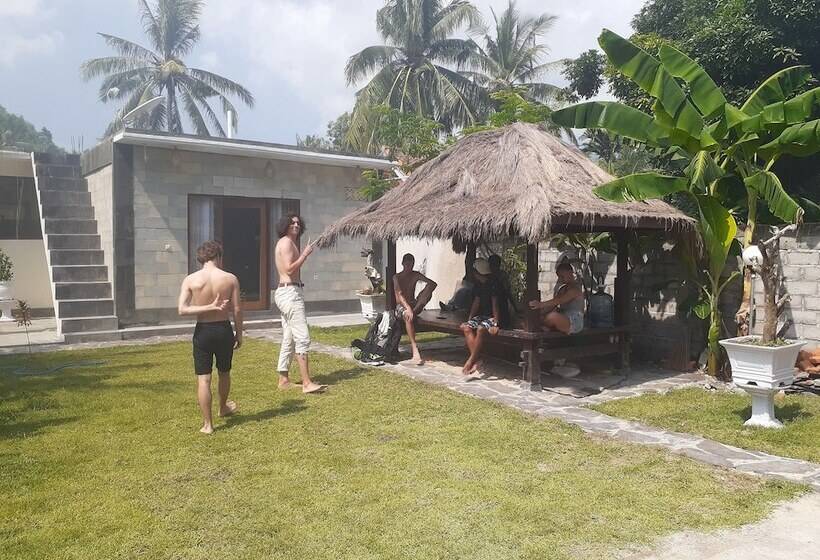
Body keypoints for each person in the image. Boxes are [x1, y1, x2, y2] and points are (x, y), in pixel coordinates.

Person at [177, 240, 243, 435]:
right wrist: (239, 333)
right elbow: (237, 309)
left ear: (201, 259)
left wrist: (205, 307)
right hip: (223, 330)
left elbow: (182, 309)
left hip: (203, 331)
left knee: (204, 379)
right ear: (219, 256)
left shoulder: (191, 279)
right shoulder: (230, 278)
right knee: (224, 372)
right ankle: (223, 407)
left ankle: (208, 425)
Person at [274, 212, 325, 394]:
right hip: (290, 293)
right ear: (285, 226)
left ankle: (283, 379)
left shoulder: (285, 242)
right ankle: (306, 383)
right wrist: (304, 254)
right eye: (292, 223)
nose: (295, 225)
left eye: (297, 223)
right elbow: (289, 269)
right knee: (302, 338)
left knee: (289, 337)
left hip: (286, 292)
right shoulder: (287, 243)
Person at [459, 258, 503, 377]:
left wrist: (495, 324)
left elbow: (495, 304)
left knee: (480, 329)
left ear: (477, 272)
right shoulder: (479, 284)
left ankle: (471, 361)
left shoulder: (494, 284)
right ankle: (477, 360)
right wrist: (469, 320)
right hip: (483, 316)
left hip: (496, 316)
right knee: (466, 327)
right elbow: (476, 303)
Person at [394, 253, 438, 365]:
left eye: (411, 265)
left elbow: (433, 284)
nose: (409, 267)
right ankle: (415, 349)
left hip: (414, 306)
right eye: (407, 265)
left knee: (429, 289)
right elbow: (399, 294)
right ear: (403, 264)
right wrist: (408, 308)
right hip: (401, 307)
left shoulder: (415, 275)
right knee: (408, 316)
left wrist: (422, 297)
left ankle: (414, 310)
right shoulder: (397, 277)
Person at [528, 262, 584, 334]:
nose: (560, 279)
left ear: (570, 272)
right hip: (563, 316)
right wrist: (538, 313)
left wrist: (540, 304)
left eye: (562, 276)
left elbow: (559, 300)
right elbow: (553, 305)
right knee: (542, 317)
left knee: (552, 317)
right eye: (559, 277)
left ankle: (545, 327)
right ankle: (546, 327)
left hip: (574, 321)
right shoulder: (562, 289)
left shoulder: (575, 289)